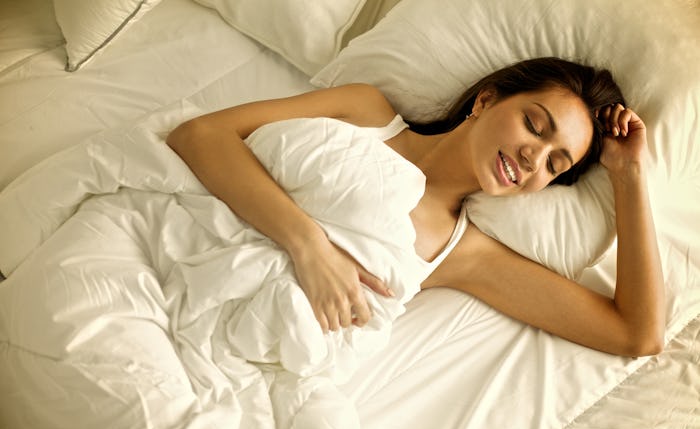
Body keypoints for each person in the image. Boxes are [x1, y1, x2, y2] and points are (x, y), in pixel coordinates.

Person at [166, 57, 664, 358]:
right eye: (534, 125)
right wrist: (307, 245)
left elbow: (637, 334)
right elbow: (200, 135)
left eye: (555, 164)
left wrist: (629, 176)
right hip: (176, 246)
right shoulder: (365, 111)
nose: (534, 158)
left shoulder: (462, 253)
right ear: (485, 101)